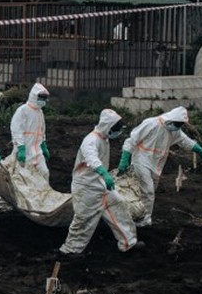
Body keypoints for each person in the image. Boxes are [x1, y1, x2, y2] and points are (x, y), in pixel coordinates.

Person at [59, 109, 141, 257]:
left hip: (101, 185)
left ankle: (128, 242)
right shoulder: (91, 140)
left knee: (119, 205)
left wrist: (104, 177)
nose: (117, 132)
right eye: (115, 129)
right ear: (107, 126)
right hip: (86, 187)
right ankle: (70, 251)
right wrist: (104, 173)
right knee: (84, 220)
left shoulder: (104, 138)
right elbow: (92, 158)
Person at [119, 106, 202, 227]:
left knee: (145, 191)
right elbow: (132, 140)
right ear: (171, 120)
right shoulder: (151, 124)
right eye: (177, 124)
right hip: (141, 160)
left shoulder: (174, 130)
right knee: (149, 191)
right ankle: (144, 220)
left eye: (180, 125)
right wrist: (124, 159)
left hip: (156, 163)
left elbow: (184, 141)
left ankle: (134, 213)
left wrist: (199, 150)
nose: (178, 127)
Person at [11, 83, 51, 175]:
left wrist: (43, 144)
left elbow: (41, 130)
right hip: (26, 150)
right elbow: (16, 129)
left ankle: (42, 190)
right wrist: (21, 147)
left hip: (37, 150)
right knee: (25, 176)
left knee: (44, 173)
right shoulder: (23, 110)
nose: (43, 100)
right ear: (34, 96)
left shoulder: (40, 112)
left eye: (44, 98)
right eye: (41, 98)